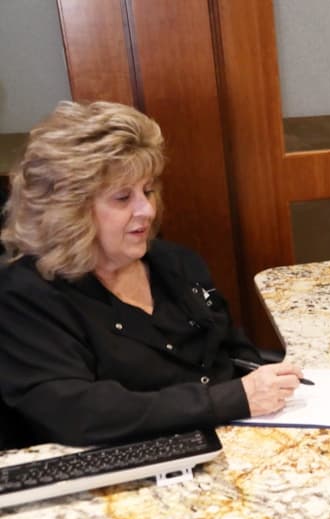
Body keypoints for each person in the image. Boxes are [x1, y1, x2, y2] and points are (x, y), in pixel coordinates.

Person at [0, 101, 304, 450]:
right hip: (128, 476)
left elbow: (234, 354)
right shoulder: (25, 294)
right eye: (122, 198)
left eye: (147, 191)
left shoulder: (175, 262)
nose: (147, 209)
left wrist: (270, 385)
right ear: (68, 210)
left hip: (237, 444)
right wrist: (231, 399)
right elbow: (77, 412)